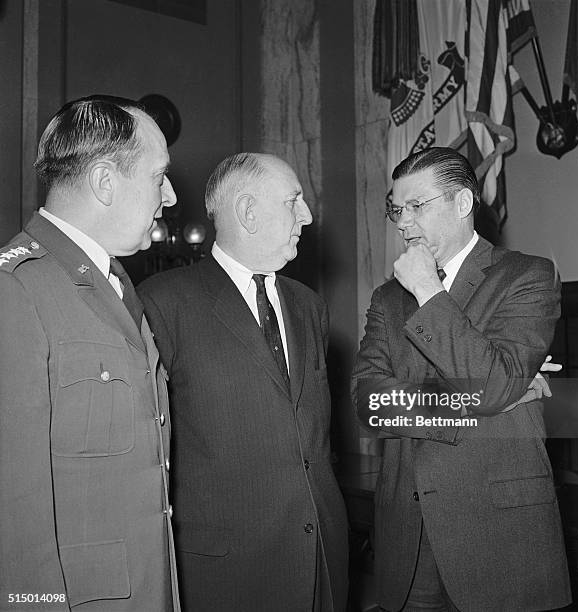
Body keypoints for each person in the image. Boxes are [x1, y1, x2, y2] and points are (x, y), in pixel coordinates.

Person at [352, 147, 571, 611]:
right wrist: (486, 402)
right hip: (410, 537)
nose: (403, 222)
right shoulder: (387, 299)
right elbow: (370, 404)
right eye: (396, 208)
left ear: (464, 203)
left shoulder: (526, 277)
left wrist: (429, 291)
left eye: (417, 206)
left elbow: (492, 384)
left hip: (499, 536)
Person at [138, 152, 349, 611]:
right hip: (227, 571)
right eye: (294, 201)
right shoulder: (163, 301)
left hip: (321, 562)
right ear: (248, 211)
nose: (308, 216)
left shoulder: (308, 305)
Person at [0, 96, 180, 611]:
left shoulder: (115, 283)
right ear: (105, 182)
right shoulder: (16, 290)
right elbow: (12, 512)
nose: (168, 196)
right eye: (158, 177)